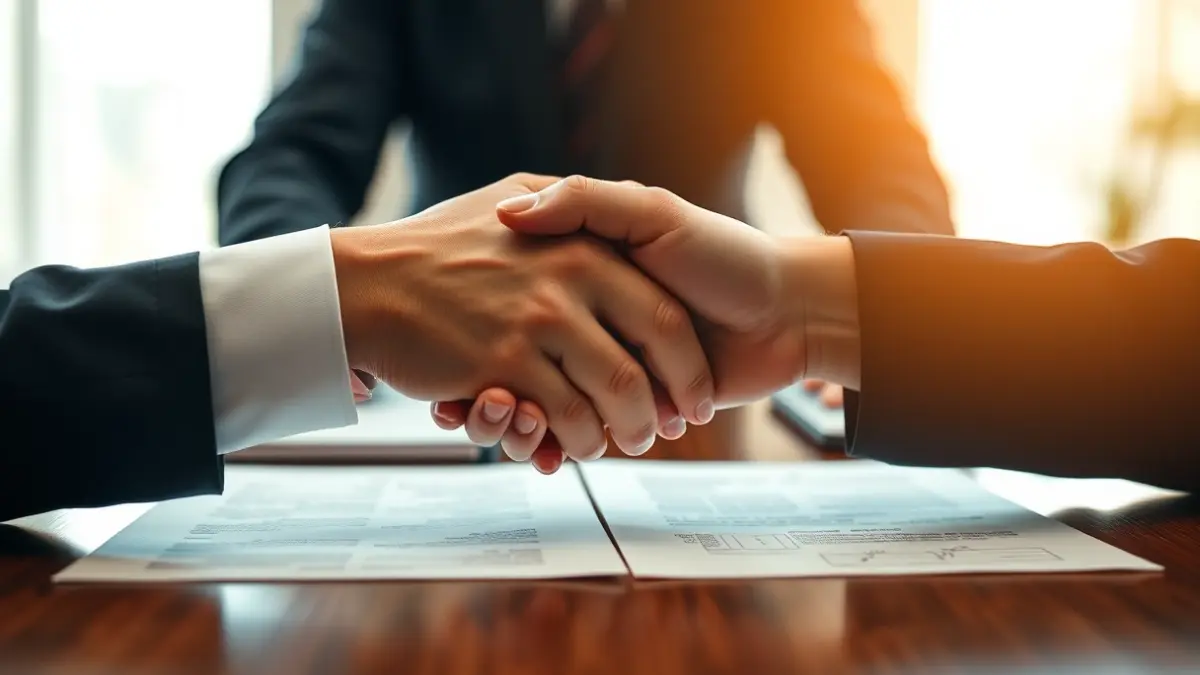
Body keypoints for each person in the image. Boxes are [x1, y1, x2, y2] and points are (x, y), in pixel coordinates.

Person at [216, 0, 956, 415]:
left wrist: (868, 324)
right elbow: (293, 152)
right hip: (460, 372)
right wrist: (317, 323)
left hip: (708, 378)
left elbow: (880, 158)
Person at [0, 174, 718, 522]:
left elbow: (832, 124)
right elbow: (290, 151)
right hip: (459, 349)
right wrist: (340, 297)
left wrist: (827, 333)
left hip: (689, 368)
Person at [440, 176, 1200, 491]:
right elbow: (317, 141)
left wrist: (845, 325)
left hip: (700, 358)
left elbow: (876, 151)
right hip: (473, 342)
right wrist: (340, 334)